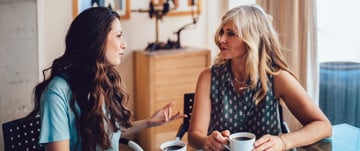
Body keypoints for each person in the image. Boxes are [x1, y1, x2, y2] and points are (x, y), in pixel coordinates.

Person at [27, 7, 185, 151]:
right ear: (97, 40)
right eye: (118, 36)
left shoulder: (102, 79)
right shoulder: (57, 93)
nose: (124, 44)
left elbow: (107, 130)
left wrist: (149, 122)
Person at [187, 4, 332, 151]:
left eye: (231, 34)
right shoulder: (208, 77)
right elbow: (194, 135)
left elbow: (323, 126)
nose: (221, 39)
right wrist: (206, 141)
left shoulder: (277, 78)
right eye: (222, 32)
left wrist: (283, 141)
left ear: (252, 38)